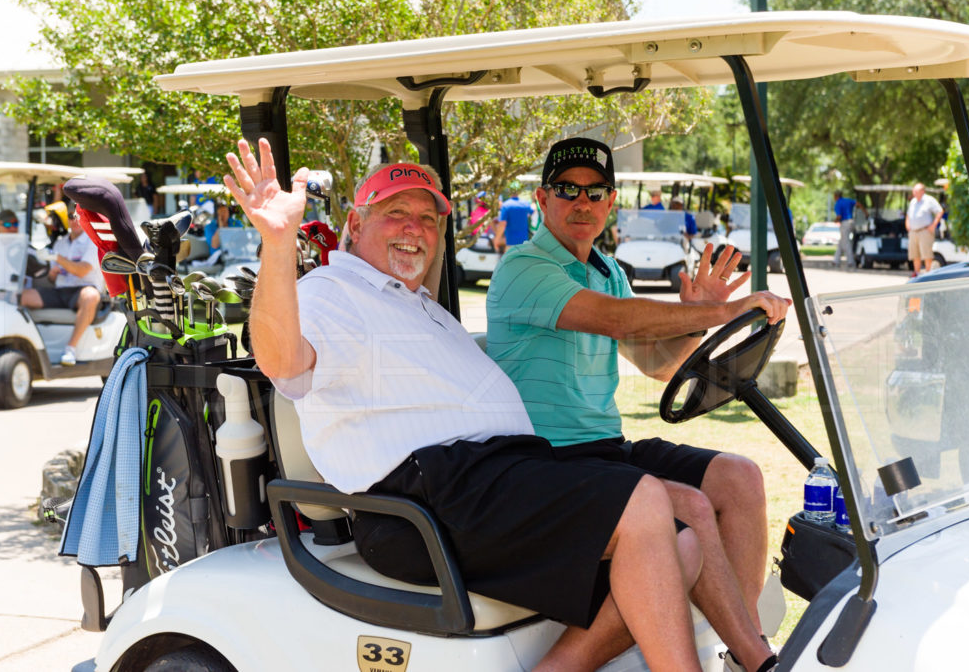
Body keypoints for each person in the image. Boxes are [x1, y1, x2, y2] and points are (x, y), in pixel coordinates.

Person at [222, 137, 763, 672]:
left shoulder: (415, 303)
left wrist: (695, 321)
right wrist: (276, 241)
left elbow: (654, 358)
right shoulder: (332, 290)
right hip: (426, 499)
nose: (415, 227)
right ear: (355, 227)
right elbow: (283, 360)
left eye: (428, 219)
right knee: (647, 501)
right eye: (396, 213)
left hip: (490, 479)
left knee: (685, 542)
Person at [487, 137, 788, 672]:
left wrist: (698, 317)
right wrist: (728, 312)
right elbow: (616, 320)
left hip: (605, 449)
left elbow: (658, 364)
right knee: (690, 510)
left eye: (595, 191)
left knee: (740, 478)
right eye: (567, 190)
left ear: (609, 202)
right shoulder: (524, 268)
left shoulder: (608, 271)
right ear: (542, 198)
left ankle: (742, 647)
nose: (582, 202)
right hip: (545, 460)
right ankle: (758, 660)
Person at [22, 205, 105, 366]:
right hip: (60, 291)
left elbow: (82, 271)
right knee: (22, 296)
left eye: (78, 216)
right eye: (71, 216)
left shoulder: (93, 242)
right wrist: (52, 275)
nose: (74, 220)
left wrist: (58, 258)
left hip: (82, 291)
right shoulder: (60, 243)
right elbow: (53, 278)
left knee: (91, 296)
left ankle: (70, 348)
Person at [906, 182, 944, 276]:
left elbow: (940, 211)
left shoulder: (929, 200)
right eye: (913, 190)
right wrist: (907, 225)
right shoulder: (913, 201)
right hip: (913, 232)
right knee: (915, 255)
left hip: (925, 231)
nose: (914, 192)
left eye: (916, 190)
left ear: (922, 191)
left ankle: (928, 274)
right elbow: (908, 215)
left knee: (927, 254)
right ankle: (917, 273)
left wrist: (933, 225)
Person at [493, 183, 534, 252]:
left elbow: (502, 224)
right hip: (524, 243)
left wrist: (496, 239)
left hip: (511, 243)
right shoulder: (525, 204)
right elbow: (532, 212)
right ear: (519, 192)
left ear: (509, 191)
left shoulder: (506, 205)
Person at [832, 190, 867, 268]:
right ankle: (836, 261)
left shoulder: (838, 204)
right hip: (851, 222)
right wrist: (865, 213)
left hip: (845, 223)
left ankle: (851, 262)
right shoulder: (848, 200)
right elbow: (859, 204)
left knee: (846, 243)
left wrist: (835, 221)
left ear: (836, 196)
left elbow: (839, 216)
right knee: (842, 242)